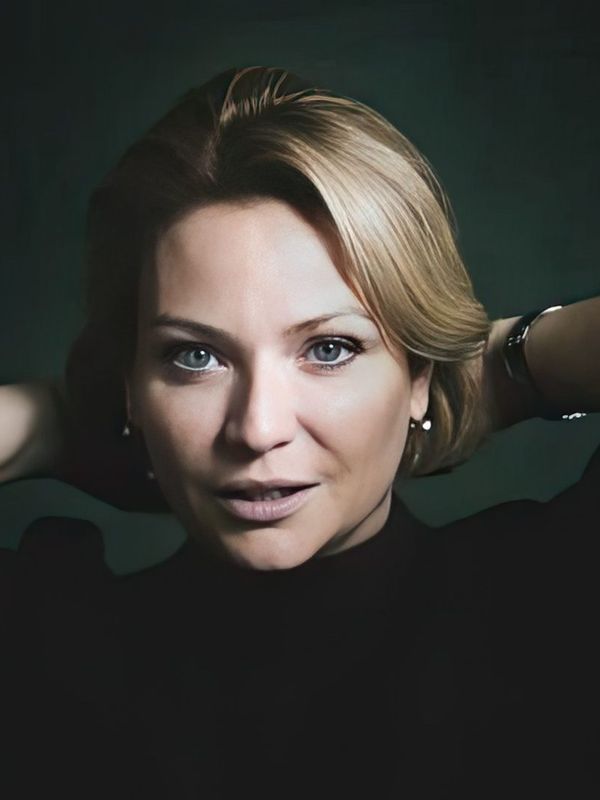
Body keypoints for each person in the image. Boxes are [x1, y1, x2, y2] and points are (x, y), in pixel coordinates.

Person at [1, 65, 599, 798]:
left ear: (418, 373)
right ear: (132, 383)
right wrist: (53, 425)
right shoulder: (44, 649)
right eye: (195, 357)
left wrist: (506, 368)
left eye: (330, 349)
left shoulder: (559, 599)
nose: (257, 430)